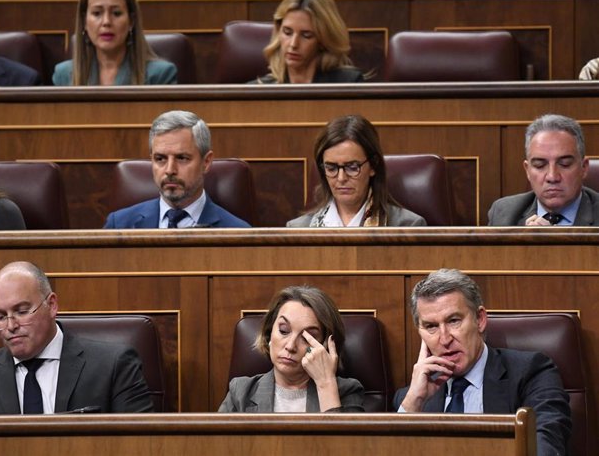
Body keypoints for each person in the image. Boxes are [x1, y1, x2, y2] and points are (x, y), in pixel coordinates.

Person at [393, 269, 571, 455]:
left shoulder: (531, 373)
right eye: (431, 326)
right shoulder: (410, 399)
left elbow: (544, 445)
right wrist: (414, 404)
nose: (444, 339)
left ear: (480, 319)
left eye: (454, 321)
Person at [0, 261, 154, 415]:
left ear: (52, 305)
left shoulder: (113, 366)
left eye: (21, 311)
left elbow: (139, 446)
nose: (11, 326)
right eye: (1, 317)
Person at [219, 285, 364, 412]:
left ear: (325, 345)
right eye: (284, 330)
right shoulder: (240, 392)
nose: (290, 346)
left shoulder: (345, 391)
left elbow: (343, 444)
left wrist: (326, 385)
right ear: (269, 333)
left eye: (306, 337)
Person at [104, 110, 250, 228]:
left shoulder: (237, 232)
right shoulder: (119, 225)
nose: (169, 170)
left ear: (206, 162)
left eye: (182, 158)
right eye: (160, 159)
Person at [287, 115, 426, 227]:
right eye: (331, 168)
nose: (341, 178)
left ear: (373, 166)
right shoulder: (298, 229)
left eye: (352, 167)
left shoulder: (408, 227)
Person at [488, 114, 599, 226]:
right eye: (540, 165)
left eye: (565, 164)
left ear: (584, 167)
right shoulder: (503, 213)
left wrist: (551, 243)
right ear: (527, 170)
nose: (552, 177)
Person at [52, 0, 176, 85]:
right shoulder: (63, 75)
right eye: (97, 13)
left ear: (131, 21)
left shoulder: (161, 74)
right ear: (84, 21)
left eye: (116, 13)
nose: (106, 22)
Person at [253, 0, 365, 84]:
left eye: (306, 35)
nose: (293, 44)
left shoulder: (348, 83)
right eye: (287, 33)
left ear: (322, 40)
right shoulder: (256, 91)